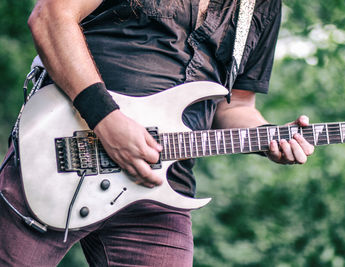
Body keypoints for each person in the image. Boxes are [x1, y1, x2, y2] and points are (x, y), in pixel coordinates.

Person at [0, 0, 314, 266]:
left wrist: (269, 135)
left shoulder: (260, 6)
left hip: (162, 190)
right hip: (62, 153)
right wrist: (106, 120)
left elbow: (236, 105)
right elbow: (51, 17)